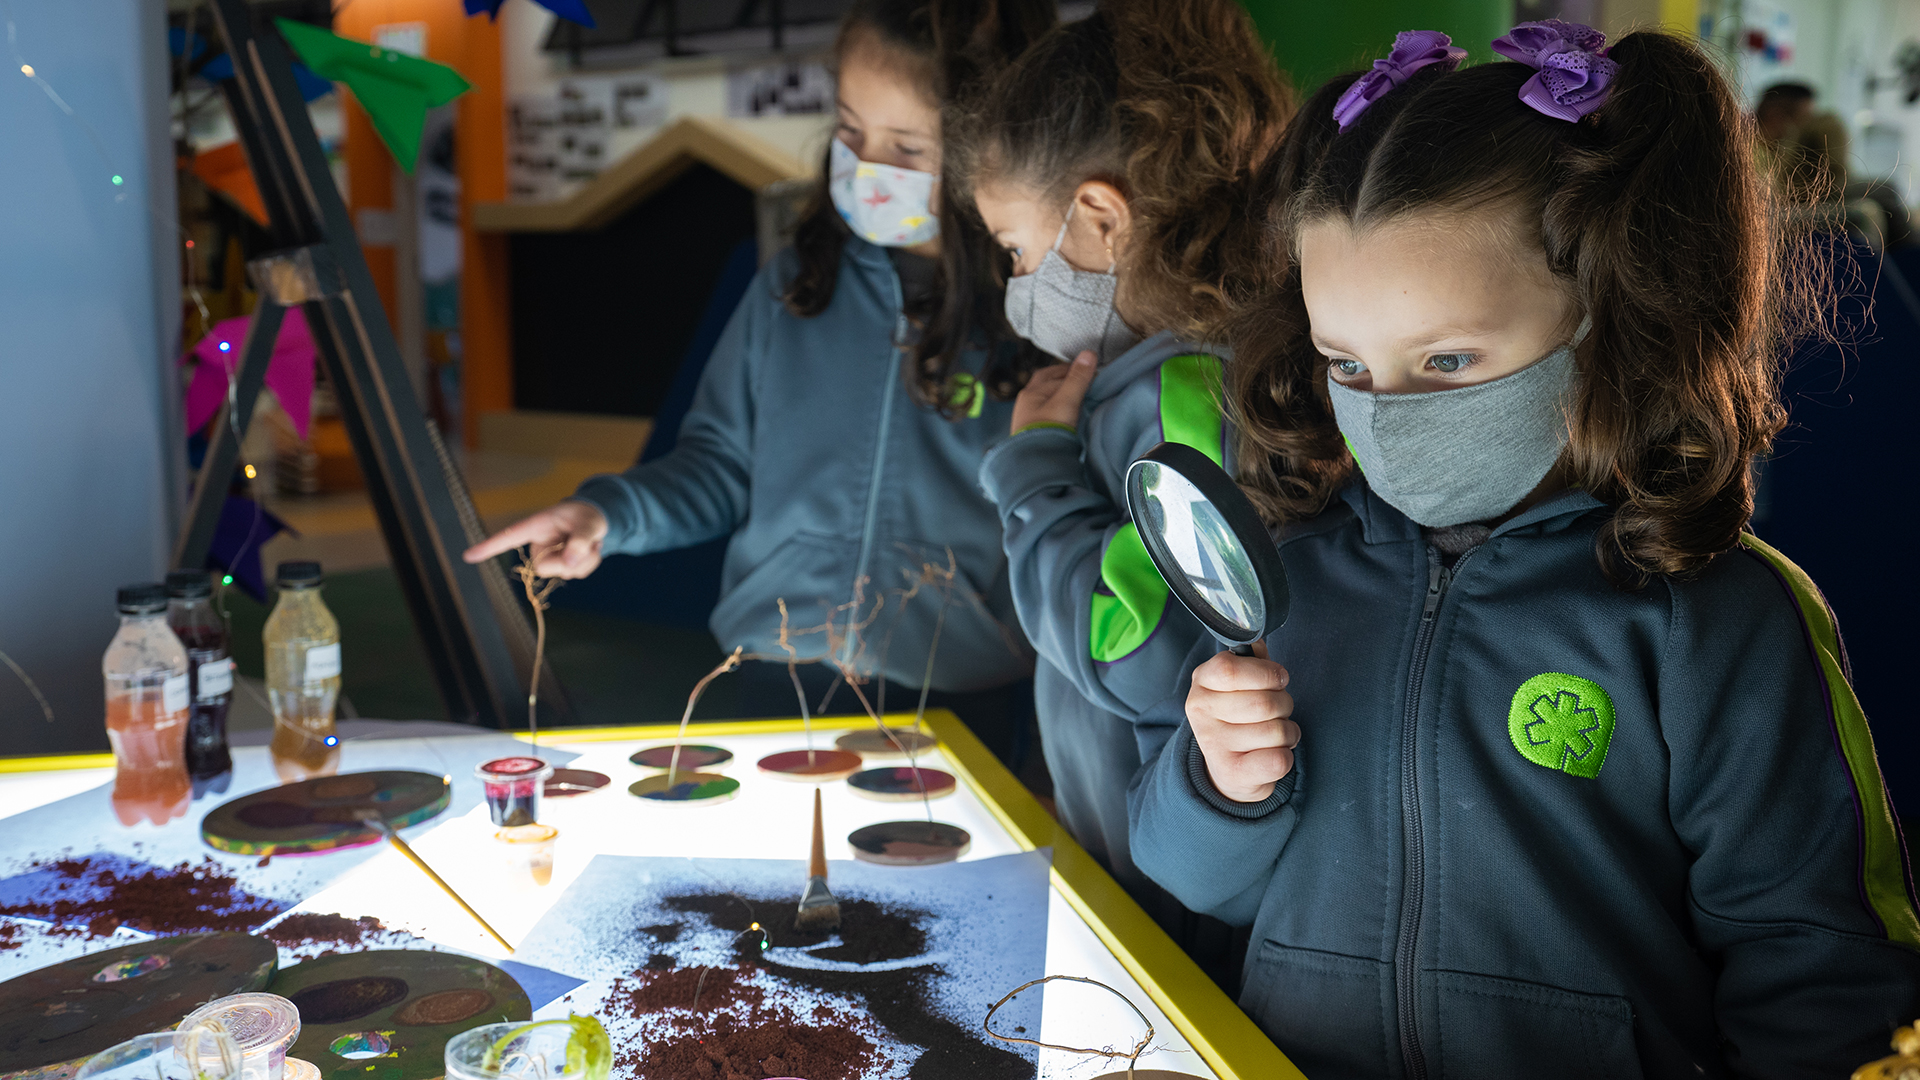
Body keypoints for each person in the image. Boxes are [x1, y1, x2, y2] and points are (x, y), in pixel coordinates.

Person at [1127, 23, 1920, 1078]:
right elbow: (1198, 882)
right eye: (1345, 363)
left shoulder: (1716, 617)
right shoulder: (1296, 581)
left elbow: (1818, 966)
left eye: (1449, 359)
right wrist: (1221, 786)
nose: (1391, 411)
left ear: (1608, 320)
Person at [465, 0, 1056, 760]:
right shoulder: (793, 288)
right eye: (849, 131)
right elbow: (718, 464)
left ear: (993, 148)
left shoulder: (1031, 321)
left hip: (959, 695)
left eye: (907, 149)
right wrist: (606, 516)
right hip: (776, 673)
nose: (868, 166)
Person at [954, 0, 1290, 964]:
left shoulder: (1187, 390)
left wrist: (1033, 476)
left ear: (1101, 218)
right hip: (1155, 845)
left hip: (1185, 885)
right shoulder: (1169, 371)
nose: (1017, 280)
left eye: (1017, 247)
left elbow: (1127, 643)